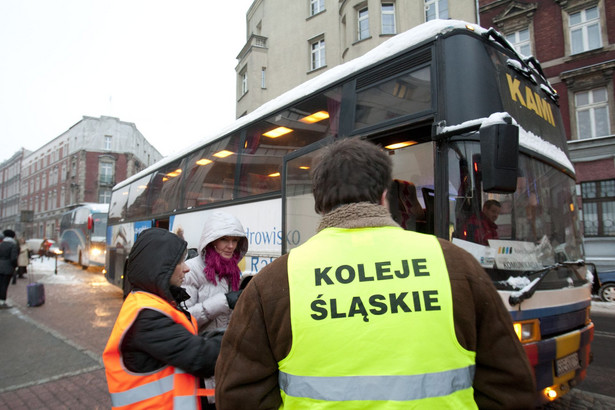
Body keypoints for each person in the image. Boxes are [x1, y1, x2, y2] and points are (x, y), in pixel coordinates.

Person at [215, 138, 536, 409]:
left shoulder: (273, 282)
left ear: (318, 203)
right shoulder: (454, 264)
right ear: (384, 196)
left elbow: (239, 395)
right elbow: (510, 386)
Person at [102, 227, 223, 409]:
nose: (187, 268)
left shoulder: (149, 302)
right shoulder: (146, 316)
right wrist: (239, 335)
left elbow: (184, 344)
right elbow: (200, 357)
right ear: (160, 267)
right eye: (180, 262)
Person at [183, 211, 249, 408]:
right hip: (202, 362)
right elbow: (184, 319)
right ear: (211, 241)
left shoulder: (233, 270)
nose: (231, 246)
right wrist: (224, 301)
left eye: (235, 240)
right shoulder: (191, 270)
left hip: (227, 359)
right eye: (224, 240)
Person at [0, 229, 19, 308]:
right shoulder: (13, 245)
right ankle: (2, 302)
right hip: (8, 267)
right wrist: (15, 266)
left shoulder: (1, 244)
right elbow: (13, 258)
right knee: (5, 285)